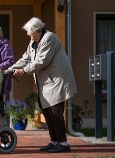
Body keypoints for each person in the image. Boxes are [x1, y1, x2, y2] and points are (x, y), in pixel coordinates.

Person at [5, 17, 77, 153]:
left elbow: (41, 61)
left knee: (55, 111)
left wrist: (23, 71)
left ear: (37, 30)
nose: (27, 34)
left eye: (29, 32)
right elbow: (26, 58)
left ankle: (63, 144)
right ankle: (54, 141)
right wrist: (11, 69)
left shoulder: (49, 38)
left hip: (57, 80)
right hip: (46, 81)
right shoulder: (34, 41)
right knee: (47, 111)